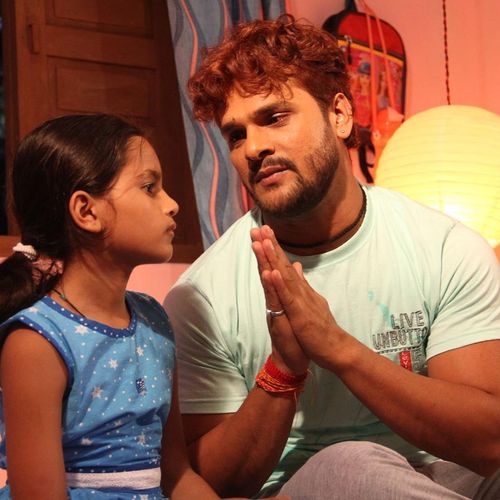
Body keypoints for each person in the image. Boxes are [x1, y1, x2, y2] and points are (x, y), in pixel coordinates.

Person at [164, 15, 500, 500]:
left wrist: (338, 349)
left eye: (274, 117)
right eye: (236, 135)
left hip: (436, 478)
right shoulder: (202, 296)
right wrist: (284, 367)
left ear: (339, 114)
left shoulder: (445, 248)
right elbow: (213, 482)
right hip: (298, 486)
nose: (253, 148)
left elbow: (489, 442)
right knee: (352, 464)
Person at [0, 114, 245, 499]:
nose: (172, 204)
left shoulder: (153, 320)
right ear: (87, 212)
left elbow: (176, 475)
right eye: (149, 188)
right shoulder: (37, 342)